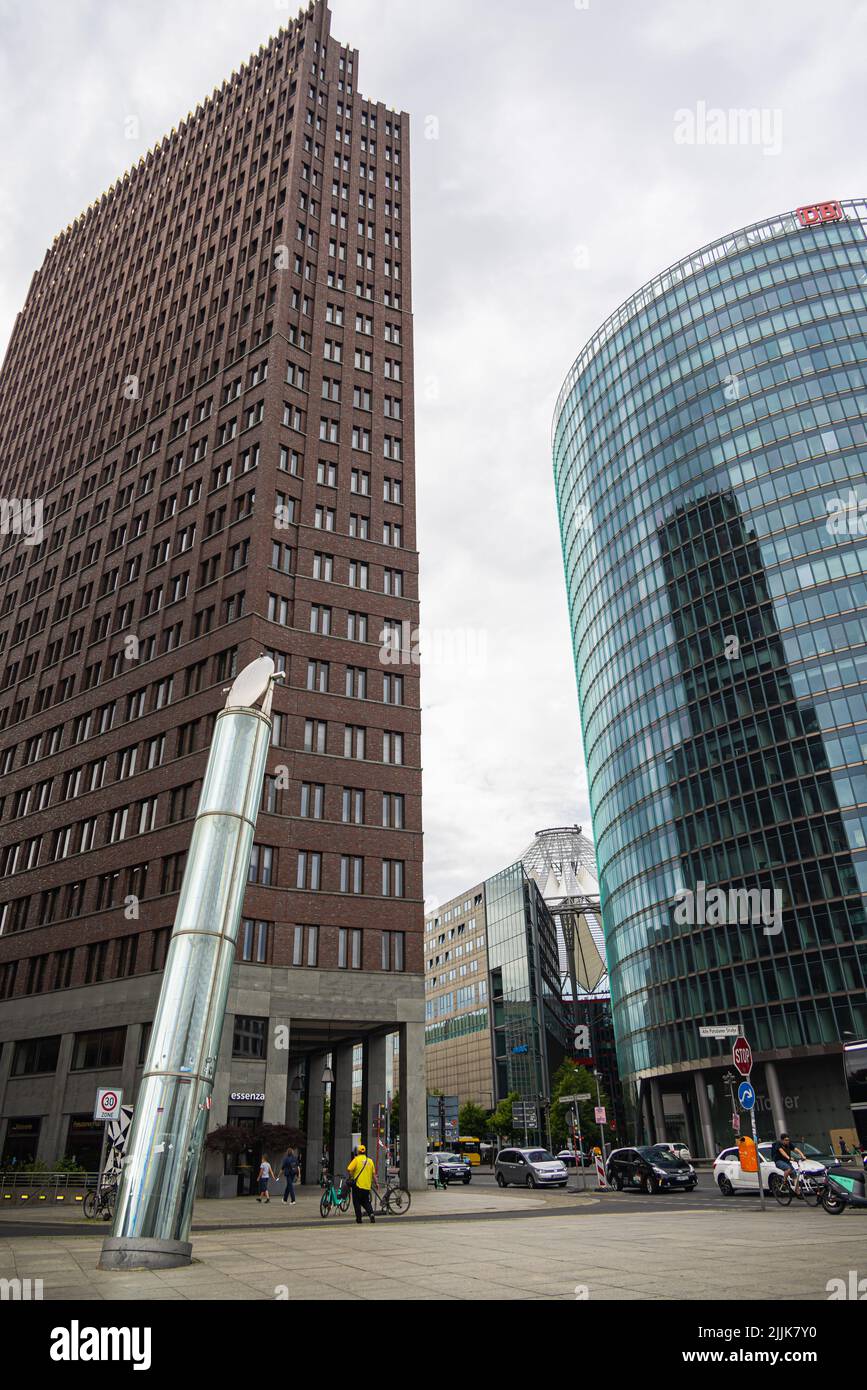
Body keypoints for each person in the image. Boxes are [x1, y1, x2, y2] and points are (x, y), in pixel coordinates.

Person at [346, 1143, 379, 1225]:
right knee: (366, 1202)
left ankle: (359, 1219)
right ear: (365, 1152)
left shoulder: (356, 1159)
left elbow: (349, 1169)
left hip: (357, 1186)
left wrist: (352, 1175)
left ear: (358, 1152)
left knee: (356, 1202)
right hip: (367, 1186)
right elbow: (374, 1175)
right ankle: (371, 1214)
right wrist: (376, 1183)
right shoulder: (370, 1161)